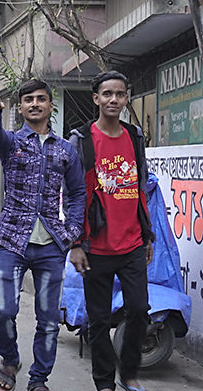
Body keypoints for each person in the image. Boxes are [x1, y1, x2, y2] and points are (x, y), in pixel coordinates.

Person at [0, 79, 86, 391]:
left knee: (49, 320)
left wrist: (72, 232)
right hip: (11, 241)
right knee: (3, 311)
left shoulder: (66, 149)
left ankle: (39, 379)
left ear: (50, 106)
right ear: (20, 107)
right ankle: (10, 358)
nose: (35, 104)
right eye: (28, 99)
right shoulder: (11, 143)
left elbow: (77, 193)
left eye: (41, 99)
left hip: (51, 246)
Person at [69, 71, 154, 391]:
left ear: (126, 98)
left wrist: (147, 236)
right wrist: (76, 243)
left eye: (119, 94)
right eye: (107, 94)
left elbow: (141, 187)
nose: (113, 100)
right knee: (100, 320)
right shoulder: (81, 140)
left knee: (139, 309)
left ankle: (129, 373)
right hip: (96, 247)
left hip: (132, 244)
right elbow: (73, 194)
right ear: (96, 99)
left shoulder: (135, 136)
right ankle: (104, 382)